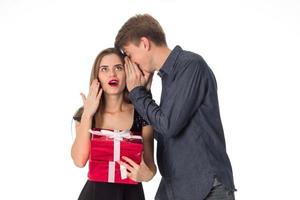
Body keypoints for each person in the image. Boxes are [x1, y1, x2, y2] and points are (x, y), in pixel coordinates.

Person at [114, 14, 236, 200]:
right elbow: (162, 131)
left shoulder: (191, 66)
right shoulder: (168, 78)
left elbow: (168, 126)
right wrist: (143, 94)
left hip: (207, 186)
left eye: (130, 55)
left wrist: (138, 93)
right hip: (178, 185)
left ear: (145, 44)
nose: (131, 63)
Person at [71, 48, 156, 200]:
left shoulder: (142, 114)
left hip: (131, 195)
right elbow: (79, 160)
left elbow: (151, 167)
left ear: (127, 73)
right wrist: (87, 114)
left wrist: (146, 175)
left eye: (118, 68)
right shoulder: (86, 114)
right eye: (104, 69)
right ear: (97, 77)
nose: (112, 74)